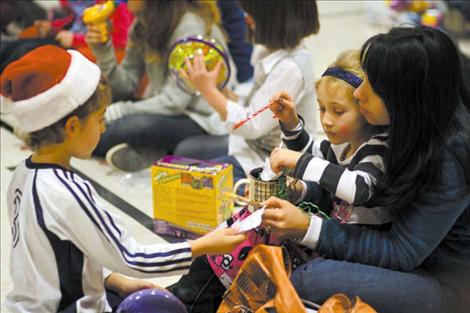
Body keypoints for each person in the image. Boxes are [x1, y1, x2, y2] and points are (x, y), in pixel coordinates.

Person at [1, 45, 246, 312]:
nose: (104, 128)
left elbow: (60, 253)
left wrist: (115, 280)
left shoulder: (24, 173)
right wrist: (203, 245)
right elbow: (134, 257)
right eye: (100, 120)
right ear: (72, 127)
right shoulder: (67, 191)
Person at [262, 26, 470, 313]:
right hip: (414, 262)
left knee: (310, 280)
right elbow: (335, 177)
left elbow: (402, 251)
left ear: (404, 94)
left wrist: (308, 227)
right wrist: (302, 192)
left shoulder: (451, 156)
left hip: (447, 284)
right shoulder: (407, 126)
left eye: (373, 84)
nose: (359, 93)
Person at [86, 0, 236, 172]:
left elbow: (175, 101)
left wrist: (119, 111)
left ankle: (153, 150)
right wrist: (103, 49)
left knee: (117, 129)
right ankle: (155, 152)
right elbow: (124, 87)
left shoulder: (189, 25)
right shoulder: (142, 24)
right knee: (95, 121)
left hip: (199, 117)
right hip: (165, 111)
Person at [177, 0, 320, 181]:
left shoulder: (291, 68)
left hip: (272, 164)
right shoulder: (270, 51)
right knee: (184, 152)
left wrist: (208, 91)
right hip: (251, 146)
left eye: (251, 15)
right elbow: (253, 103)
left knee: (192, 179)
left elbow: (252, 124)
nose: (245, 19)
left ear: (273, 20)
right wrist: (222, 90)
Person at [269, 50, 390, 226]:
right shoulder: (343, 144)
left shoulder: (378, 149)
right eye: (322, 109)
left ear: (366, 109)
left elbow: (357, 188)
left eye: (338, 111)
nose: (326, 121)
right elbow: (314, 157)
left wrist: (301, 160)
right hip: (336, 236)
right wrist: (291, 123)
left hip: (362, 247)